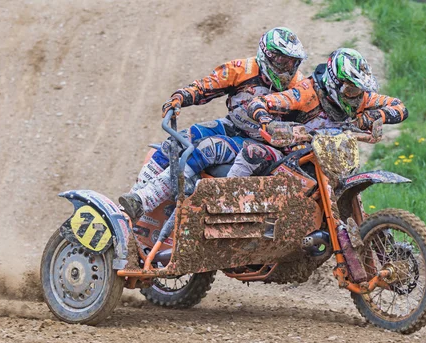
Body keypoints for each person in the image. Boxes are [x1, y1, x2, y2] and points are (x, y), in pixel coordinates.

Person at [119, 27, 307, 221]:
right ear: (267, 55)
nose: (286, 69)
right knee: (177, 141)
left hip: (264, 143)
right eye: (282, 61)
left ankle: (146, 200)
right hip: (233, 125)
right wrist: (180, 97)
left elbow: (309, 122)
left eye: (292, 63)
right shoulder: (242, 69)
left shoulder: (300, 88)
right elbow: (205, 85)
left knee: (208, 148)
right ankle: (131, 202)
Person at [225, 48, 408, 177]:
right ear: (335, 82)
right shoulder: (306, 92)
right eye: (351, 90)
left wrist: (370, 118)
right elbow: (258, 103)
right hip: (290, 157)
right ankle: (224, 201)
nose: (356, 96)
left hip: (331, 158)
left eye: (359, 90)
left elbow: (400, 108)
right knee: (253, 152)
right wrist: (269, 122)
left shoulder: (361, 97)